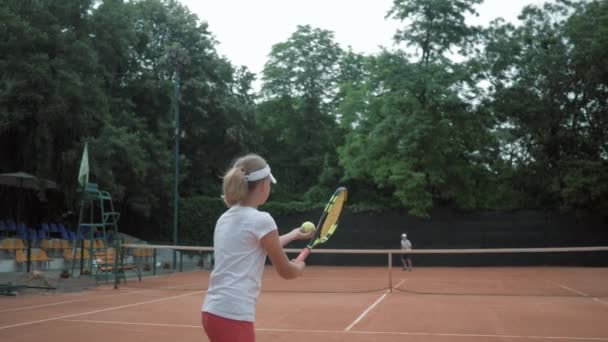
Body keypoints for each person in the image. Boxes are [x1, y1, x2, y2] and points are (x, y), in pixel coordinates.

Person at [202, 154, 313, 342]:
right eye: (269, 183)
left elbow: (257, 245)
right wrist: (299, 267)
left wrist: (294, 234)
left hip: (212, 311)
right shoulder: (262, 220)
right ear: (263, 185)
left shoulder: (226, 217)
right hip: (234, 315)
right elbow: (286, 271)